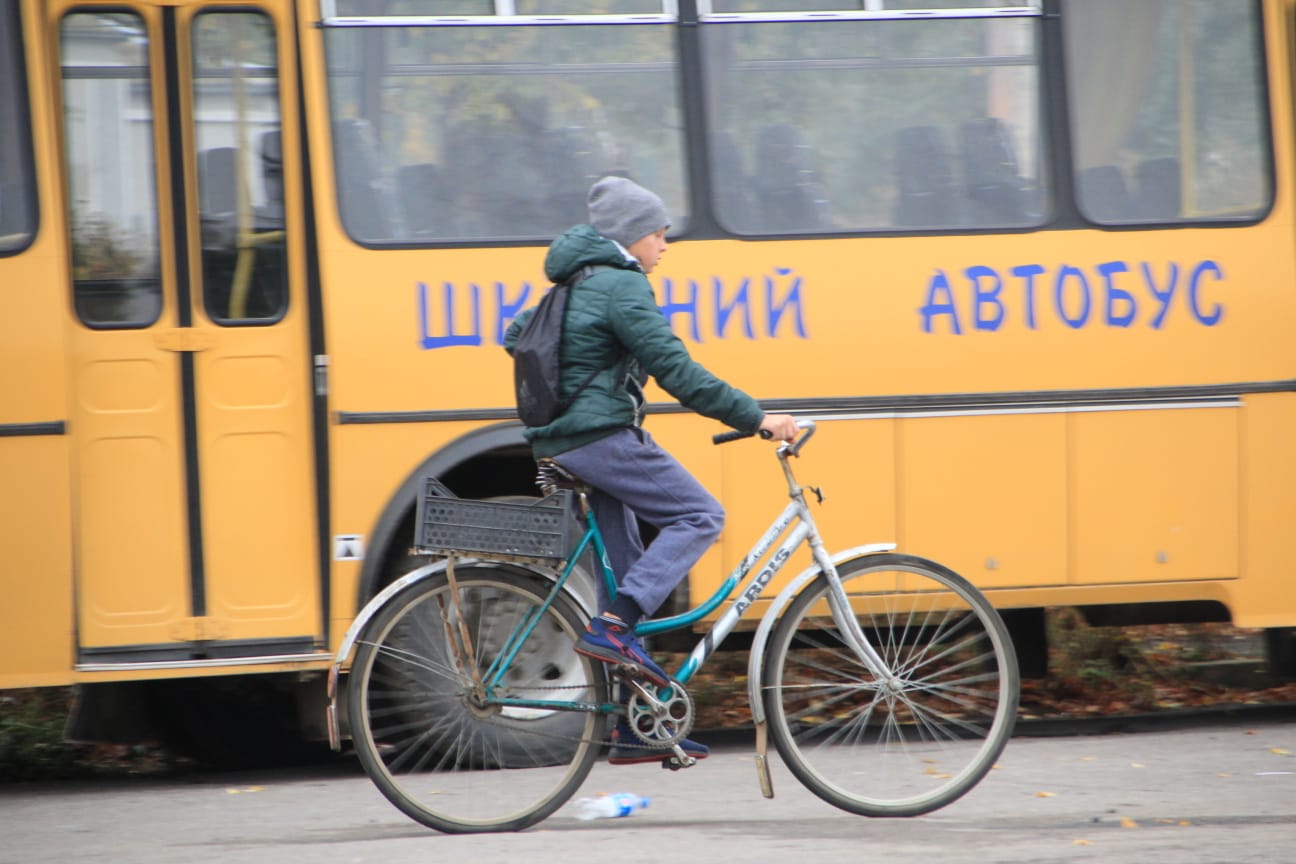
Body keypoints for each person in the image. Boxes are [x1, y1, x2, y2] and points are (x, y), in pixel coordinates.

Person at [505, 176, 799, 765]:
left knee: (626, 577)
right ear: (631, 235)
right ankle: (613, 629)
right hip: (599, 439)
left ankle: (635, 726)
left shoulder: (574, 282)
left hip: (563, 441)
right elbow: (678, 371)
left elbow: (515, 336)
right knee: (699, 515)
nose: (665, 245)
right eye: (659, 234)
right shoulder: (620, 284)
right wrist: (758, 418)